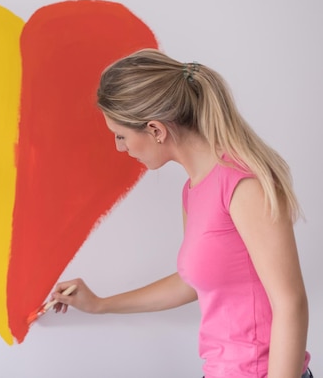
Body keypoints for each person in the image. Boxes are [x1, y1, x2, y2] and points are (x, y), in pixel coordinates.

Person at [51, 49, 311, 378]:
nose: (120, 147)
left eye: (121, 135)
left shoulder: (244, 187)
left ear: (156, 130)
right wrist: (101, 304)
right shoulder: (193, 190)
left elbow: (290, 304)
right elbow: (192, 282)